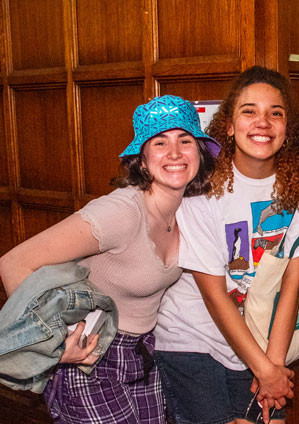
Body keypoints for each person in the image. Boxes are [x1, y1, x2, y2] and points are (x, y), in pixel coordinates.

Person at [0, 94, 218, 423]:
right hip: (92, 359)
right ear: (142, 160)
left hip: (144, 356)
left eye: (184, 140)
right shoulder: (120, 211)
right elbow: (13, 263)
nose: (174, 153)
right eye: (159, 143)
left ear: (199, 153)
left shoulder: (188, 210)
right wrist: (59, 343)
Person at [153, 66, 299, 424]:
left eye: (274, 113)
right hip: (194, 341)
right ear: (229, 126)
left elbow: (291, 284)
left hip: (261, 341)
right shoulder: (201, 189)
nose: (262, 122)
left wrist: (273, 368)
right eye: (249, 111)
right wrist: (265, 371)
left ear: (287, 130)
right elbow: (216, 296)